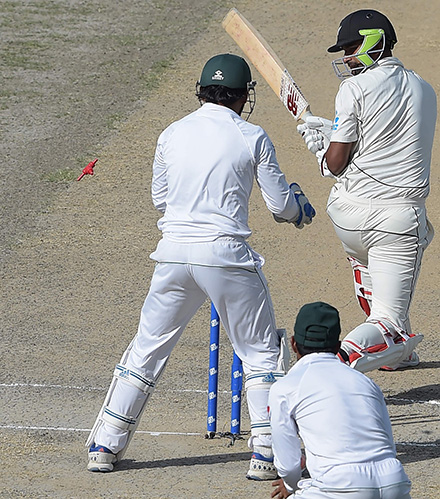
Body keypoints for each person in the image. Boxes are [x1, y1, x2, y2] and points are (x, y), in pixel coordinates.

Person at [85, 53, 316, 480]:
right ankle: (265, 454)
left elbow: (161, 199)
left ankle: (105, 444)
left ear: (202, 90)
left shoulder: (172, 133)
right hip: (226, 255)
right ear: (241, 95)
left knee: (147, 347)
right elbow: (281, 207)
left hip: (172, 252)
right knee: (262, 354)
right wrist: (299, 205)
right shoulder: (252, 136)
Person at [297, 9, 437, 373]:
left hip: (348, 218)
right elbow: (388, 138)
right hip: (394, 223)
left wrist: (322, 146)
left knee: (371, 275)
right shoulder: (425, 88)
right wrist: (331, 141)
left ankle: (399, 355)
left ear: (376, 38)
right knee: (388, 321)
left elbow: (336, 164)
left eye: (351, 46)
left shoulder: (353, 89)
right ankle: (329, 367)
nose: (346, 56)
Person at [269, 301, 412, 498]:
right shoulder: (365, 382)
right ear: (338, 347)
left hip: (340, 486)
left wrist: (292, 485)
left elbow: (287, 464)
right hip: (394, 482)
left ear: (293, 344)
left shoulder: (285, 387)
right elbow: (388, 446)